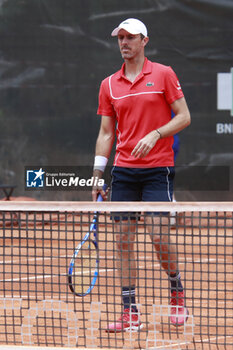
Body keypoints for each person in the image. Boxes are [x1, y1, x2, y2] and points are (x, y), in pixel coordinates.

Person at [92, 18, 191, 332]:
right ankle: (129, 311)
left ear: (144, 40)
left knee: (159, 236)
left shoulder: (163, 74)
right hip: (123, 171)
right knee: (123, 241)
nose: (124, 43)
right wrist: (97, 172)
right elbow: (106, 133)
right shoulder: (109, 85)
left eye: (130, 37)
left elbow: (185, 116)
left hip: (157, 170)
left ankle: (176, 291)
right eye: (120, 38)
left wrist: (156, 134)